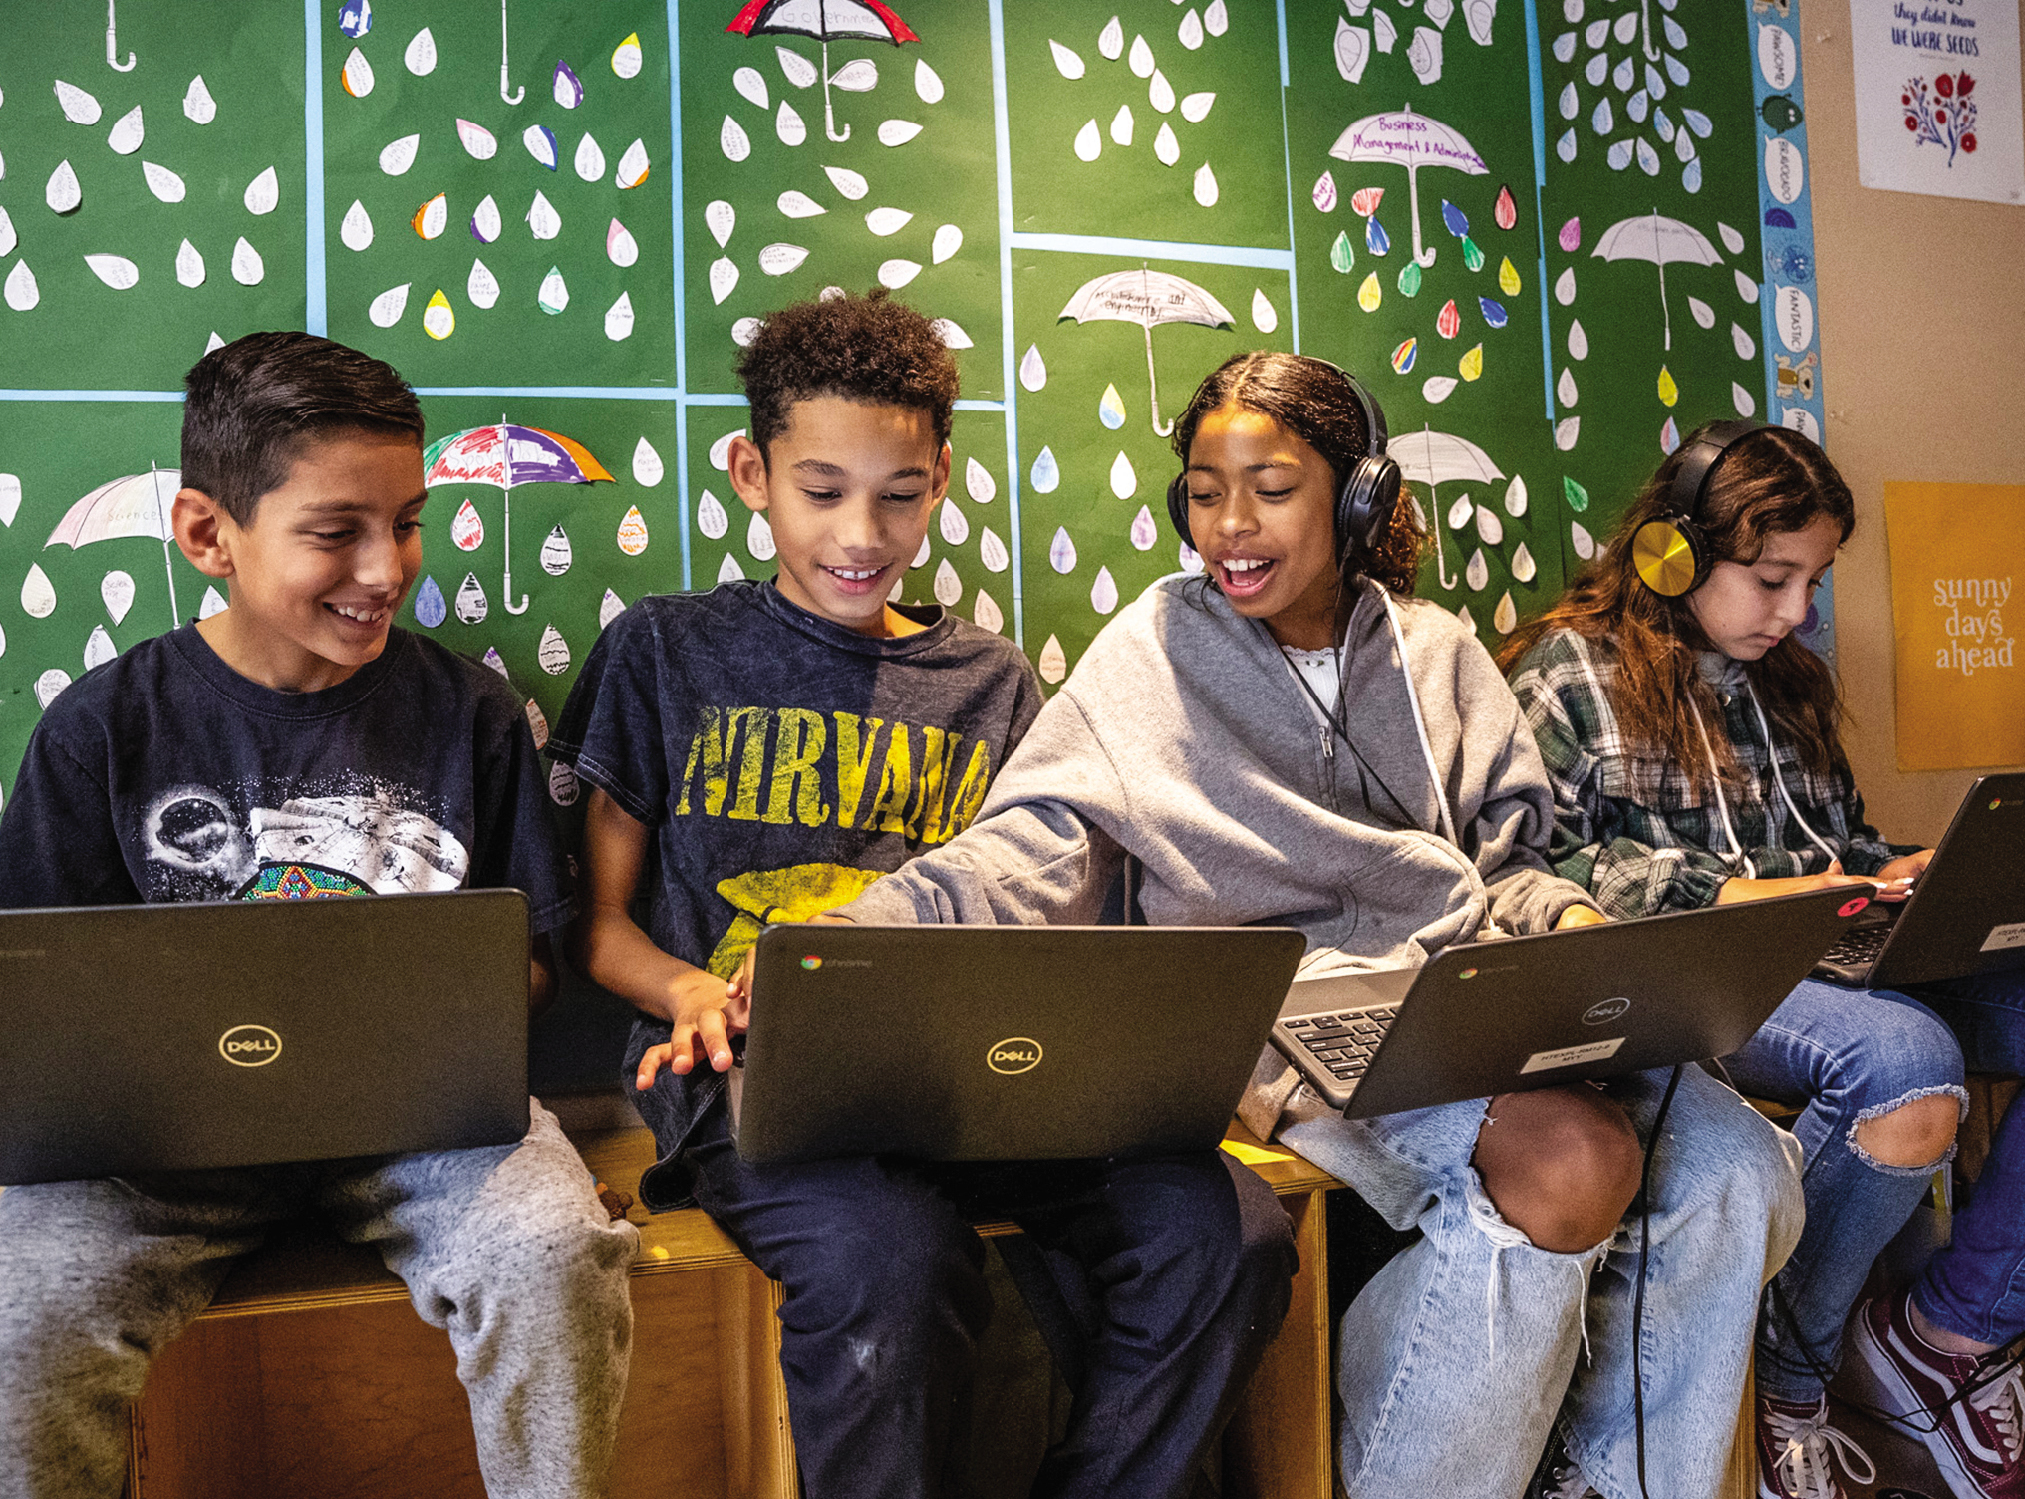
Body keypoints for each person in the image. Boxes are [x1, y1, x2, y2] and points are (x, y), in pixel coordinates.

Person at [780, 353, 1805, 1499]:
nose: (1229, 524)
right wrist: (848, 940)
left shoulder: (1438, 654)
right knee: (1574, 1159)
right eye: (1204, 490)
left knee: (1738, 1169)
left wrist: (1564, 918)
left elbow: (1507, 868)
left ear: (1357, 496)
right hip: (1291, 1025)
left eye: (1269, 486)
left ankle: (1609, 1480)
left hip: (1470, 998)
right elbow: (1023, 852)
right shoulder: (1152, 653)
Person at [550, 289, 1297, 1499]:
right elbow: (595, 922)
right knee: (893, 1261)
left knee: (1229, 1231)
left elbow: (1050, 905)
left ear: (941, 476)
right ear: (752, 471)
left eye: (900, 494)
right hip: (765, 1096)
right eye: (821, 490)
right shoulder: (665, 651)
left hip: (983, 1089)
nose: (862, 532)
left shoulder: (993, 683)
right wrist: (687, 984)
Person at [0, 332, 637, 1499]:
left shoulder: (475, 714)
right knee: (20, 1298)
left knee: (551, 1247)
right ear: (208, 535)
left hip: (425, 1130)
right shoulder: (103, 728)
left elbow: (534, 966)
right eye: (336, 530)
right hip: (157, 1153)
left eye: (407, 521)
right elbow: (33, 992)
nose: (386, 567)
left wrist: (447, 995)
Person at [1504, 420, 2023, 1499]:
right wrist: (1742, 896)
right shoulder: (1568, 669)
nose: (1796, 613)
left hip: (1834, 949)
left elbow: (1839, 843)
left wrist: (1906, 871)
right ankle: (1794, 1371)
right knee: (1910, 1062)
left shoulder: (1784, 681)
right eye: (1773, 577)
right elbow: (1535, 869)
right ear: (1674, 553)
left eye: (1813, 581)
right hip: (1699, 967)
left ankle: (1945, 1331)